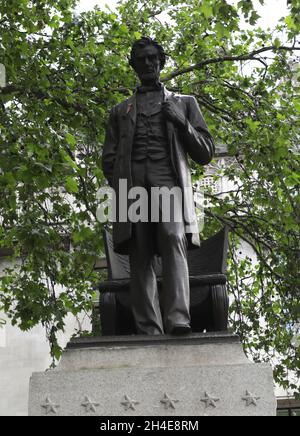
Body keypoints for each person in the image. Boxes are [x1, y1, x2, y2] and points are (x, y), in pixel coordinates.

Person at [102, 37, 214, 335]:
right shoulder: (119, 111)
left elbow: (204, 152)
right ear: (134, 66)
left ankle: (178, 318)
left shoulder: (184, 103)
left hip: (168, 183)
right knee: (141, 254)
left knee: (172, 236)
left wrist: (182, 124)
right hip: (134, 187)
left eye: (154, 58)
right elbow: (108, 158)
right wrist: (121, 184)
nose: (149, 64)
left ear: (161, 62)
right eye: (142, 60)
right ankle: (149, 327)